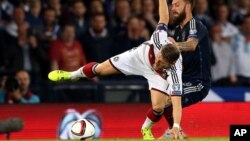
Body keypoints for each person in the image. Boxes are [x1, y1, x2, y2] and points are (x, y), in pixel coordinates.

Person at [48, 0, 183, 139]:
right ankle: (72, 75)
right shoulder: (159, 39)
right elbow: (164, 18)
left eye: (161, 63)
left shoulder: (175, 72)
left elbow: (177, 102)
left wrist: (177, 126)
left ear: (170, 64)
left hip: (157, 75)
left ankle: (145, 129)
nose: (157, 62)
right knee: (99, 69)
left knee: (158, 108)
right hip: (138, 58)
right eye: (159, 58)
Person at [151, 0, 212, 139]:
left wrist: (172, 46)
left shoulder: (195, 25)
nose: (173, 9)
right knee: (160, 98)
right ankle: (177, 132)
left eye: (177, 5)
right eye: (172, 5)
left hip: (198, 82)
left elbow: (191, 45)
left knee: (167, 99)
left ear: (188, 6)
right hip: (182, 79)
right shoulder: (178, 30)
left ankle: (173, 130)